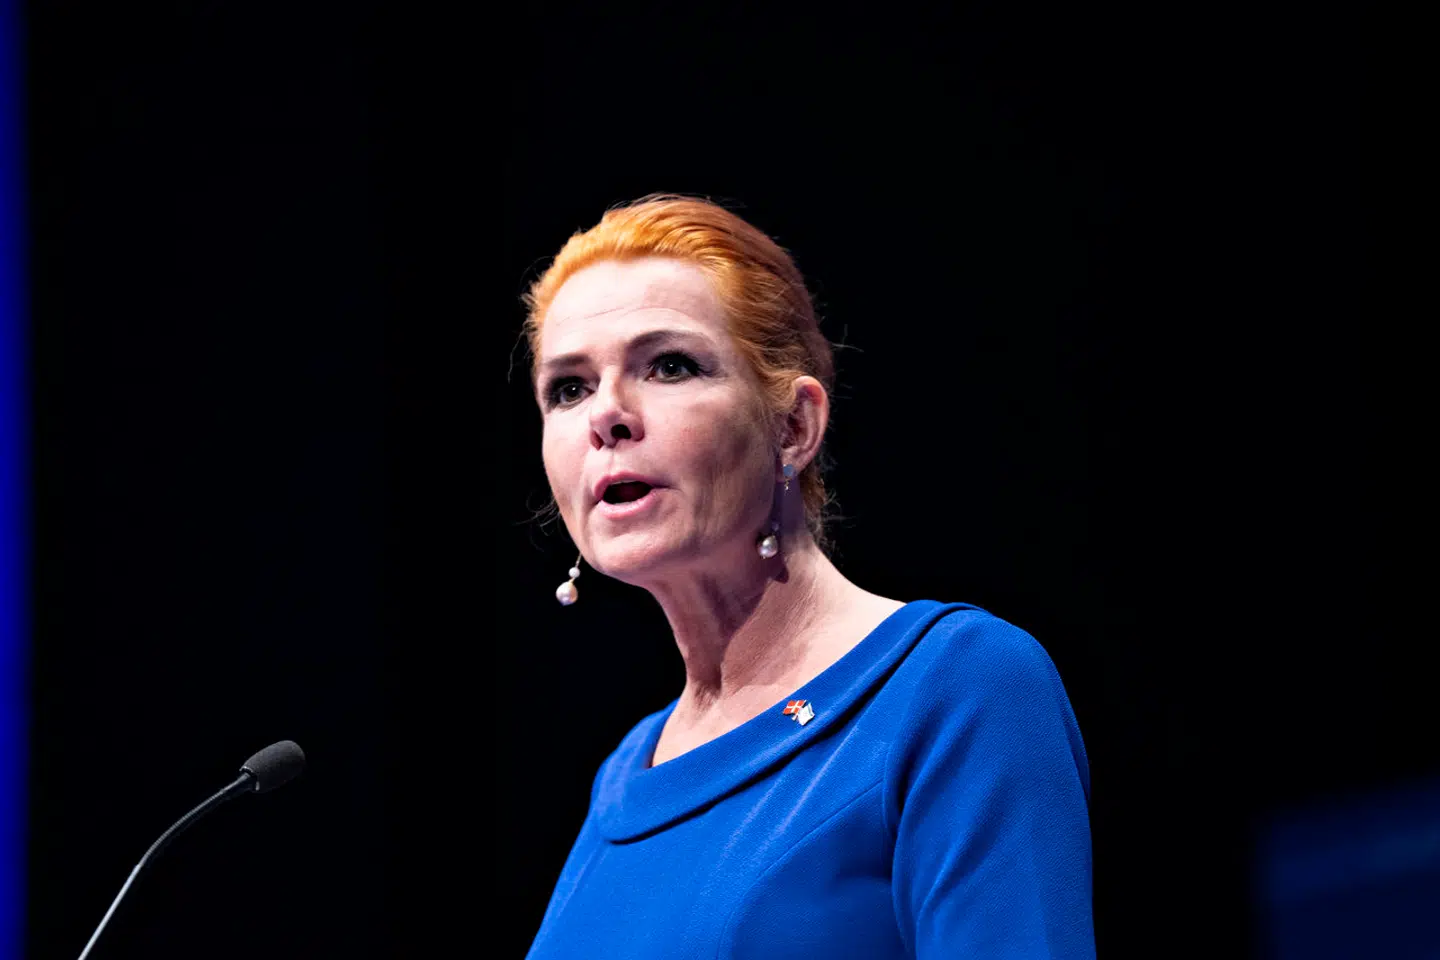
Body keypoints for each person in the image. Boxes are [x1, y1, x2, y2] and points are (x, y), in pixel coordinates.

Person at [520, 194, 1094, 958]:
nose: (607, 416)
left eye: (669, 366)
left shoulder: (956, 687)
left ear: (793, 427)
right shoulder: (627, 773)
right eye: (569, 387)